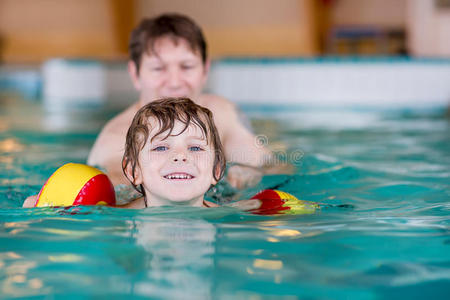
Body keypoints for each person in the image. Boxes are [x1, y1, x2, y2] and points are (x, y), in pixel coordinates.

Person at [87, 13, 278, 189]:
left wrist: (248, 172)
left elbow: (271, 169)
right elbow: (121, 198)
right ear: (135, 74)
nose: (175, 82)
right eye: (158, 68)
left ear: (205, 70)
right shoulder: (115, 142)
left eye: (186, 67)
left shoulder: (222, 112)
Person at [119, 97, 225, 208]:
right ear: (133, 171)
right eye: (161, 148)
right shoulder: (118, 220)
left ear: (216, 169)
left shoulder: (230, 218)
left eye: (195, 148)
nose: (180, 155)